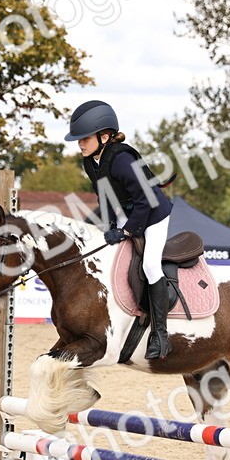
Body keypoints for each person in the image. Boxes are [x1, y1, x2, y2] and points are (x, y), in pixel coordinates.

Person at [65, 100, 174, 359]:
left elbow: (145, 201)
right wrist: (108, 226)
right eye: (78, 139)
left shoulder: (122, 159)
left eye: (84, 138)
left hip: (154, 212)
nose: (79, 143)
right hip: (129, 210)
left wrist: (127, 231)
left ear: (105, 136)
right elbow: (106, 197)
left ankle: (161, 335)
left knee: (150, 265)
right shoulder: (91, 161)